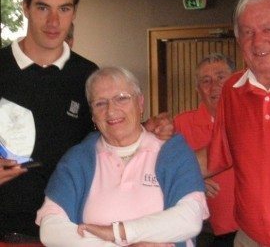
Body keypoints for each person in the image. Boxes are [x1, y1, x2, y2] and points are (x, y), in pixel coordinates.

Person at [0, 0, 173, 243]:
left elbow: (108, 141)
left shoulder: (90, 76)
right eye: (43, 7)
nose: (54, 22)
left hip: (74, 233)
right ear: (25, 7)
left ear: (74, 12)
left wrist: (146, 128)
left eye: (64, 9)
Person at [36, 66, 209, 247]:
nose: (111, 110)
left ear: (140, 103)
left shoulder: (173, 152)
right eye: (100, 103)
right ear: (93, 115)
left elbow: (189, 218)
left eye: (121, 98)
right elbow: (51, 230)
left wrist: (118, 232)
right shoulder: (78, 159)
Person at [206, 0, 270, 246]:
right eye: (247, 32)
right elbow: (216, 156)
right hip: (250, 239)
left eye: (268, 29)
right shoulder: (233, 91)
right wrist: (147, 153)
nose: (258, 41)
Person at [174, 54, 238, 246]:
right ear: (197, 89)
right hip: (201, 231)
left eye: (221, 77)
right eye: (206, 80)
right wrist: (193, 178)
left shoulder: (253, 121)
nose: (214, 85)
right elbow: (158, 173)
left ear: (235, 83)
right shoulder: (180, 125)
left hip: (248, 230)